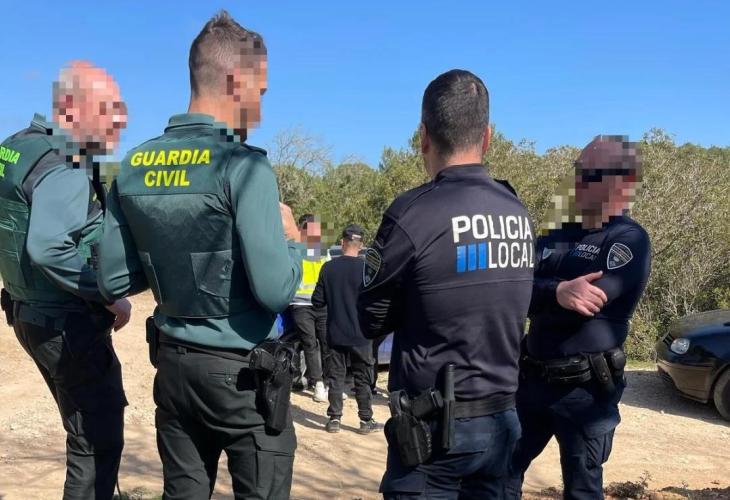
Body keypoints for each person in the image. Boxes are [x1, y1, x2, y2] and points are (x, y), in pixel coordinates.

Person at [97, 11, 303, 499]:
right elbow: (276, 290)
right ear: (237, 83)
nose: (260, 109)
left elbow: (112, 279)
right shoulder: (244, 167)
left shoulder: (134, 165)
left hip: (175, 370)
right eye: (260, 92)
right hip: (242, 376)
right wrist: (294, 240)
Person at [358, 69, 535, 499]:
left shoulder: (413, 213)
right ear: (487, 136)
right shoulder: (518, 213)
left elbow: (370, 318)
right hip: (502, 421)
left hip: (433, 435)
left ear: (423, 136)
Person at [0, 61, 131, 499]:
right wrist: (109, 295)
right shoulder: (66, 163)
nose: (121, 119)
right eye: (109, 108)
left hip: (27, 312)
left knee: (83, 434)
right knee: (96, 447)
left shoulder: (16, 147)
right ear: (72, 107)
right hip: (67, 325)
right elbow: (48, 247)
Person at [505, 136, 651, 500]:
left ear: (623, 182)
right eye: (578, 171)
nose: (578, 182)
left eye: (590, 174)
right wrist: (557, 291)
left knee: (582, 490)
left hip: (584, 393)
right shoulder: (556, 233)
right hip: (532, 382)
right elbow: (512, 289)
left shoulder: (628, 239)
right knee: (500, 473)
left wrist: (541, 290)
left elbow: (590, 300)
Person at [312, 224, 383, 434]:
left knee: (335, 376)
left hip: (335, 333)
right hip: (362, 334)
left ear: (342, 242)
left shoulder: (328, 268)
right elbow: (378, 302)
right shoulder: (368, 269)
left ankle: (334, 419)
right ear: (361, 245)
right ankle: (365, 420)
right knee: (362, 377)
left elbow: (317, 301)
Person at [287, 213, 329, 402]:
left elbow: (329, 276)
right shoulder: (293, 250)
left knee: (327, 344)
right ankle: (318, 383)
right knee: (310, 344)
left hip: (322, 305)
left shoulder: (323, 250)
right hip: (301, 304)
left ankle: (330, 384)